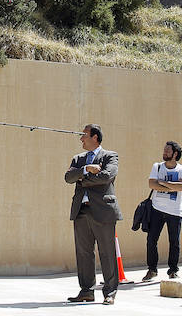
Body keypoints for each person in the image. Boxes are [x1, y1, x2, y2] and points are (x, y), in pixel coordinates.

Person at [65, 124, 122, 305]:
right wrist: (85, 170)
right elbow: (68, 177)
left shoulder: (110, 156)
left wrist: (83, 180)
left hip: (103, 211)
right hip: (81, 211)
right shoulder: (78, 159)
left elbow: (106, 177)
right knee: (83, 253)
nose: (81, 138)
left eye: (84, 135)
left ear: (95, 137)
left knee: (107, 252)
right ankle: (86, 291)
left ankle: (110, 292)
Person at [142, 141, 182, 281]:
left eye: (168, 151)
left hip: (175, 211)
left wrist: (162, 183)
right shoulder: (157, 166)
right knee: (151, 240)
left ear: (175, 154)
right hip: (156, 209)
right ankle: (152, 270)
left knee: (174, 242)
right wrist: (172, 186)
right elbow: (151, 184)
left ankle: (173, 270)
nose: (164, 153)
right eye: (164, 150)